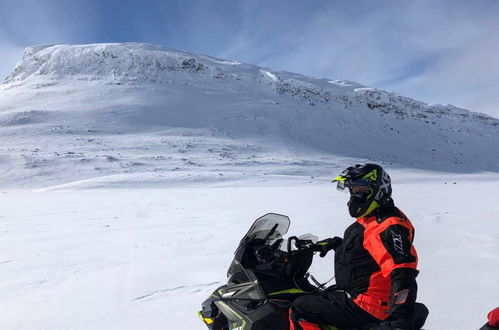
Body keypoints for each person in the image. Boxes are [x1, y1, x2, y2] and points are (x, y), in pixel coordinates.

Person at [290, 163, 427, 330]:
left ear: (378, 190)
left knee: (299, 308)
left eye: (361, 190)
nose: (355, 196)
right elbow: (367, 249)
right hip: (363, 295)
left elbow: (403, 271)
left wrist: (400, 320)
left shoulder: (388, 226)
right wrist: (336, 243)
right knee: (317, 296)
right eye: (353, 190)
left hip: (369, 304)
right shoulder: (374, 216)